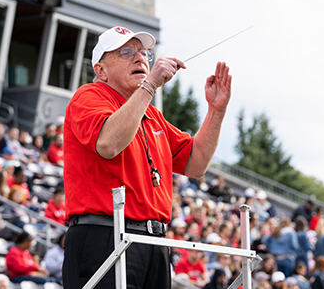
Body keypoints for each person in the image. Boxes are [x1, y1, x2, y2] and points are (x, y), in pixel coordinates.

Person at [63, 26, 232, 288]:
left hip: (153, 240)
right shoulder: (89, 96)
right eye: (126, 52)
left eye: (144, 53)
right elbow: (108, 143)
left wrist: (216, 111)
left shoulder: (152, 114)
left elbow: (196, 163)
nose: (140, 58)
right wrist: (150, 84)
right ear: (101, 70)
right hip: (105, 233)